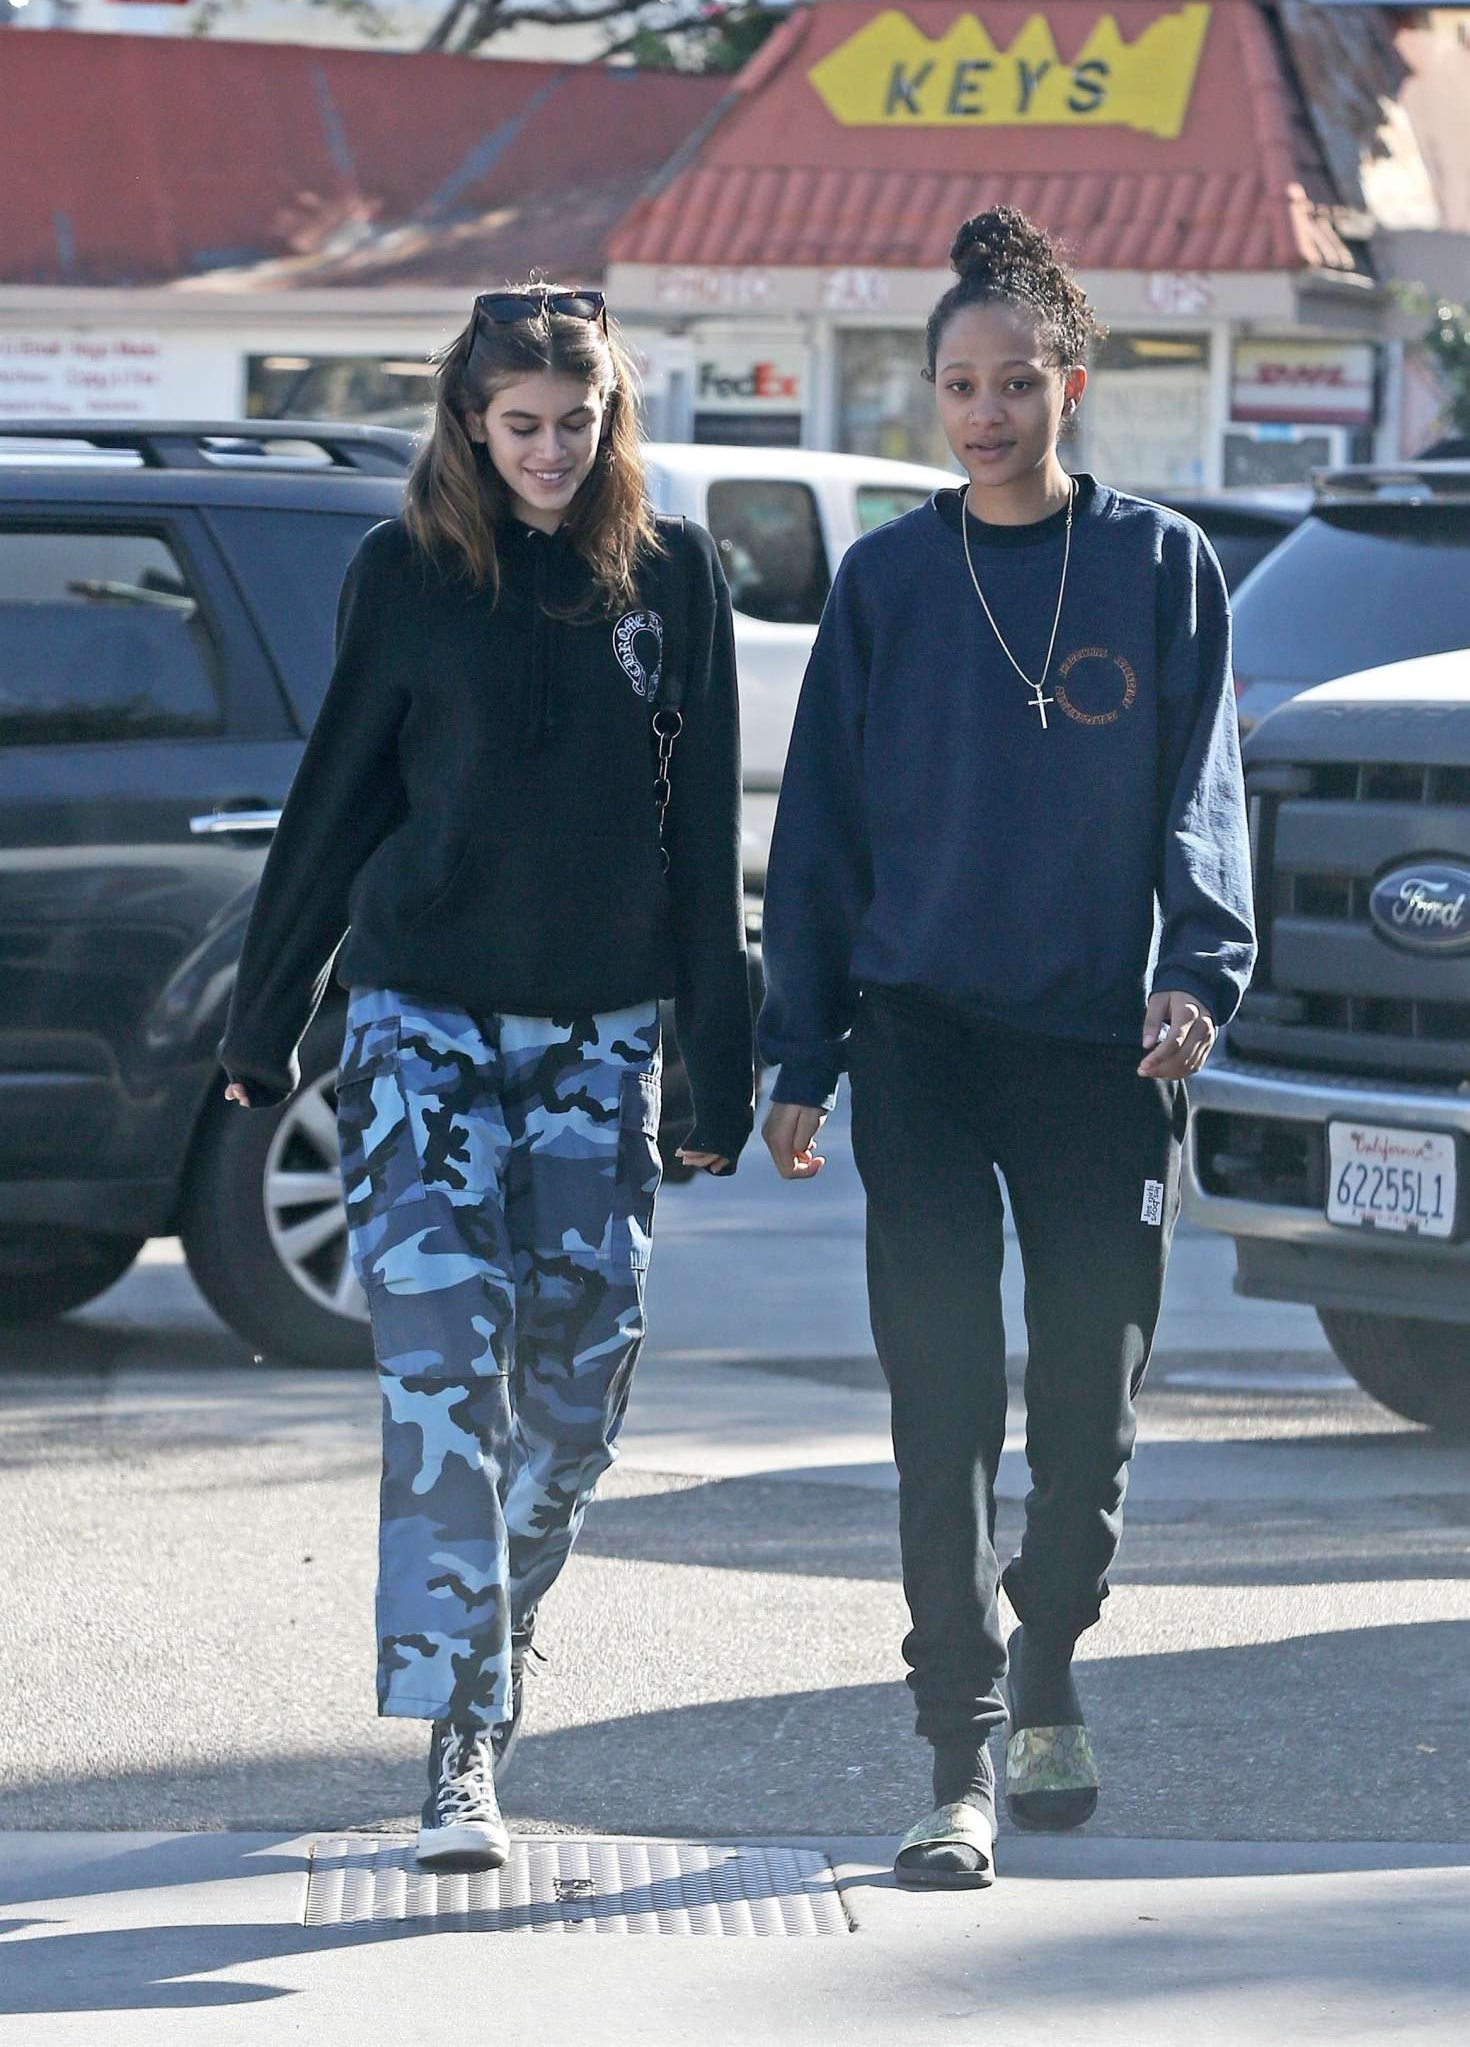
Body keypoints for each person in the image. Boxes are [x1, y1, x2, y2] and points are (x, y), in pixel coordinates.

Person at [218, 284, 753, 1872]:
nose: (550, 451)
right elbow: (335, 797)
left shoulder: (672, 574)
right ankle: (462, 1735)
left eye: (577, 423)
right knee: (443, 1369)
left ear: (612, 418)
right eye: (521, 425)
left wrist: (716, 1060)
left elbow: (701, 825)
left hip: (600, 1027)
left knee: (579, 1390)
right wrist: (265, 1015)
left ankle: (495, 1634)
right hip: (420, 1021)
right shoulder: (403, 575)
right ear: (466, 420)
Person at [757, 209, 1255, 1891]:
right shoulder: (888, 580)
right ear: (933, 396)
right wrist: (801, 1051)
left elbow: (1201, 790)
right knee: (943, 1399)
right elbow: (819, 830)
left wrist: (1196, 970)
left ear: (1070, 385)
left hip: (1100, 1048)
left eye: (1016, 381)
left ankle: (1048, 1656)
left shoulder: (1158, 566)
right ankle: (957, 1750)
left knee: (1087, 1416)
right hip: (921, 1038)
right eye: (959, 384)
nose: (985, 411)